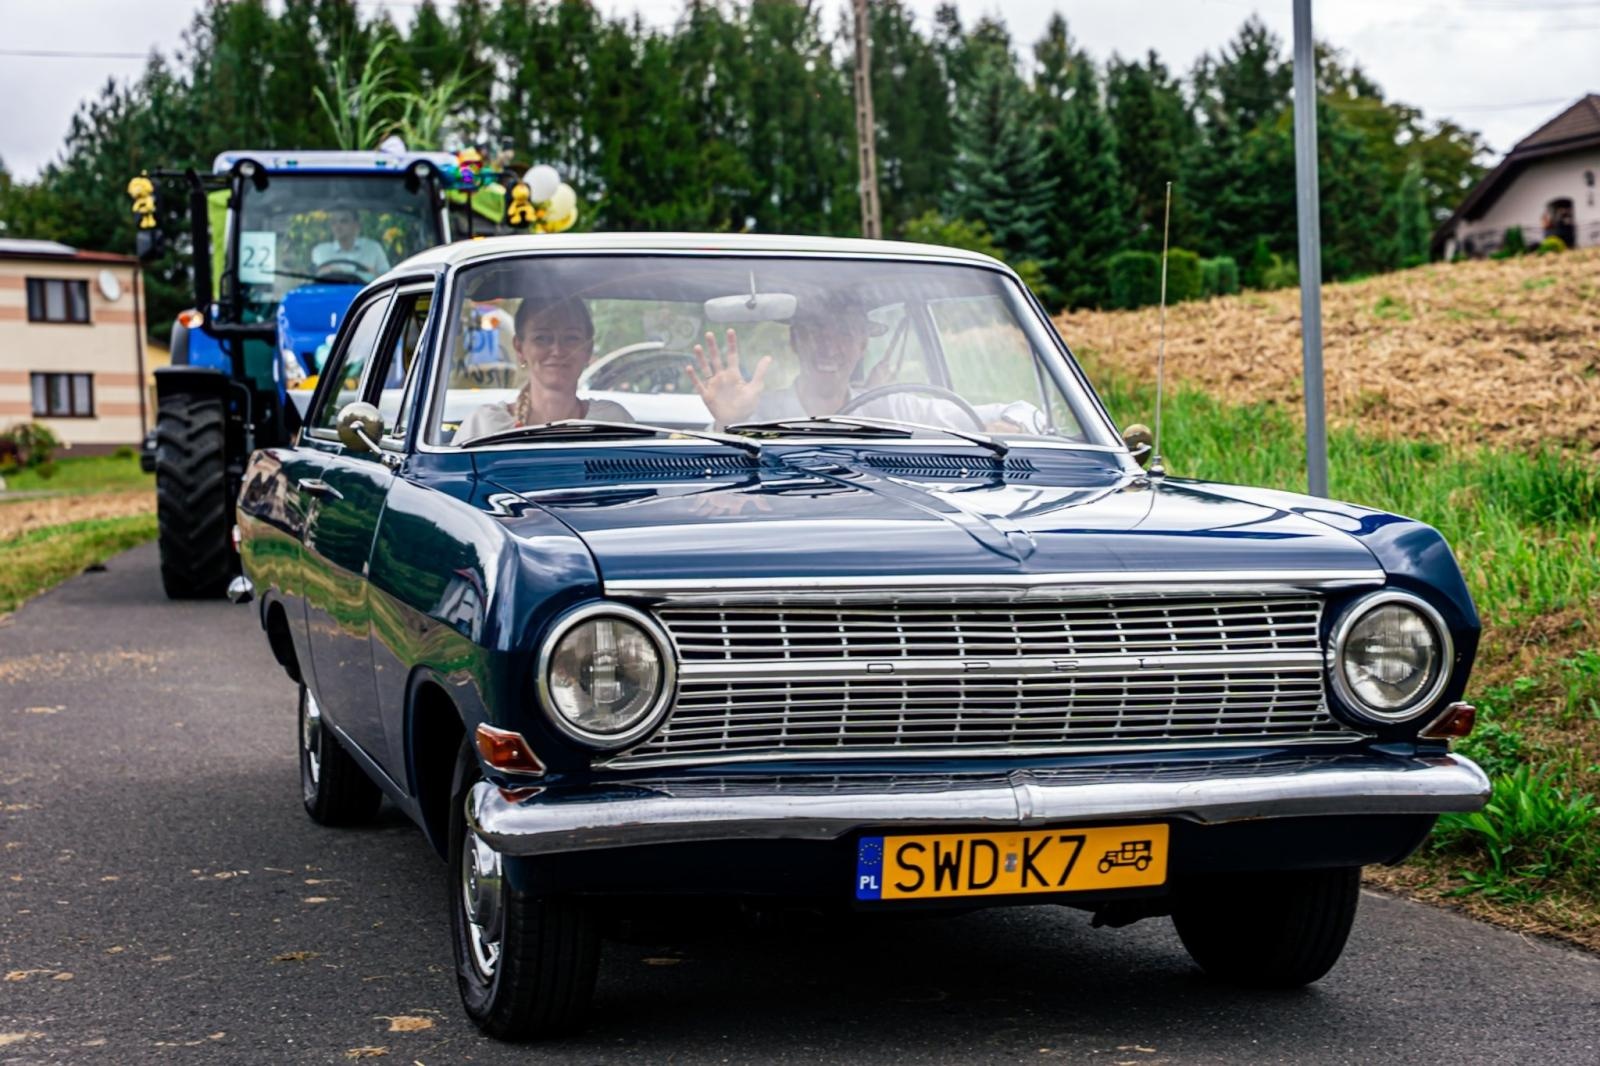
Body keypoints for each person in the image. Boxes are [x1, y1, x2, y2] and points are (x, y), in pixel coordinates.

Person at [687, 297, 1043, 434]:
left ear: (862, 344)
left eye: (844, 333)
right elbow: (712, 473)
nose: (829, 347)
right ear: (795, 341)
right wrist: (727, 422)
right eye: (815, 333)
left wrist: (1012, 427)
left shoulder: (891, 406)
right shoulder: (757, 412)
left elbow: (1020, 410)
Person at [454, 293, 631, 445]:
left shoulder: (614, 423)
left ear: (588, 350)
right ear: (519, 348)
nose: (557, 350)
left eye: (571, 338)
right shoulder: (482, 428)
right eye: (542, 338)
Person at [311, 209, 391, 281]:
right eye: (334, 222)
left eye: (344, 221)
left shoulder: (373, 248)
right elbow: (311, 280)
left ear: (356, 225)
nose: (337, 226)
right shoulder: (320, 251)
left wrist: (372, 274)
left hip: (367, 296)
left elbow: (387, 280)